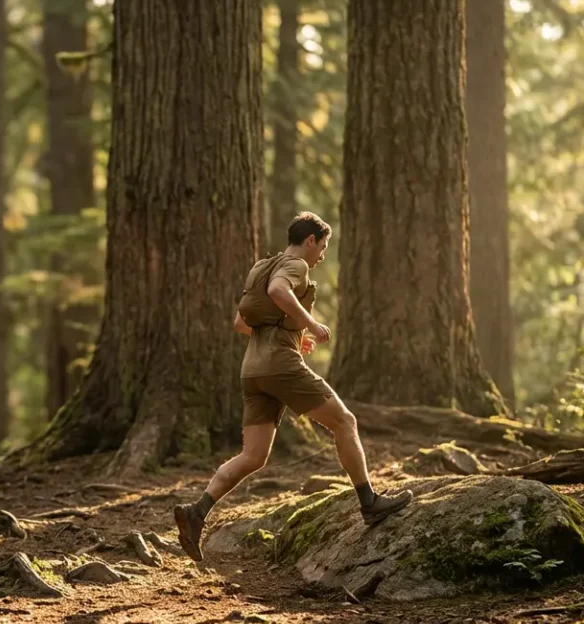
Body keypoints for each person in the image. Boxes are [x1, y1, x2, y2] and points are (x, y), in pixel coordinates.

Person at [173, 211, 412, 564]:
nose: (322, 256)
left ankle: (197, 511)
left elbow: (241, 321)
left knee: (253, 456)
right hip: (279, 368)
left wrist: (290, 335)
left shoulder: (262, 266)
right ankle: (370, 503)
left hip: (252, 369)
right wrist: (312, 325)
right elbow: (278, 291)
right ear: (310, 240)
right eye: (323, 246)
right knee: (344, 422)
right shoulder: (296, 265)